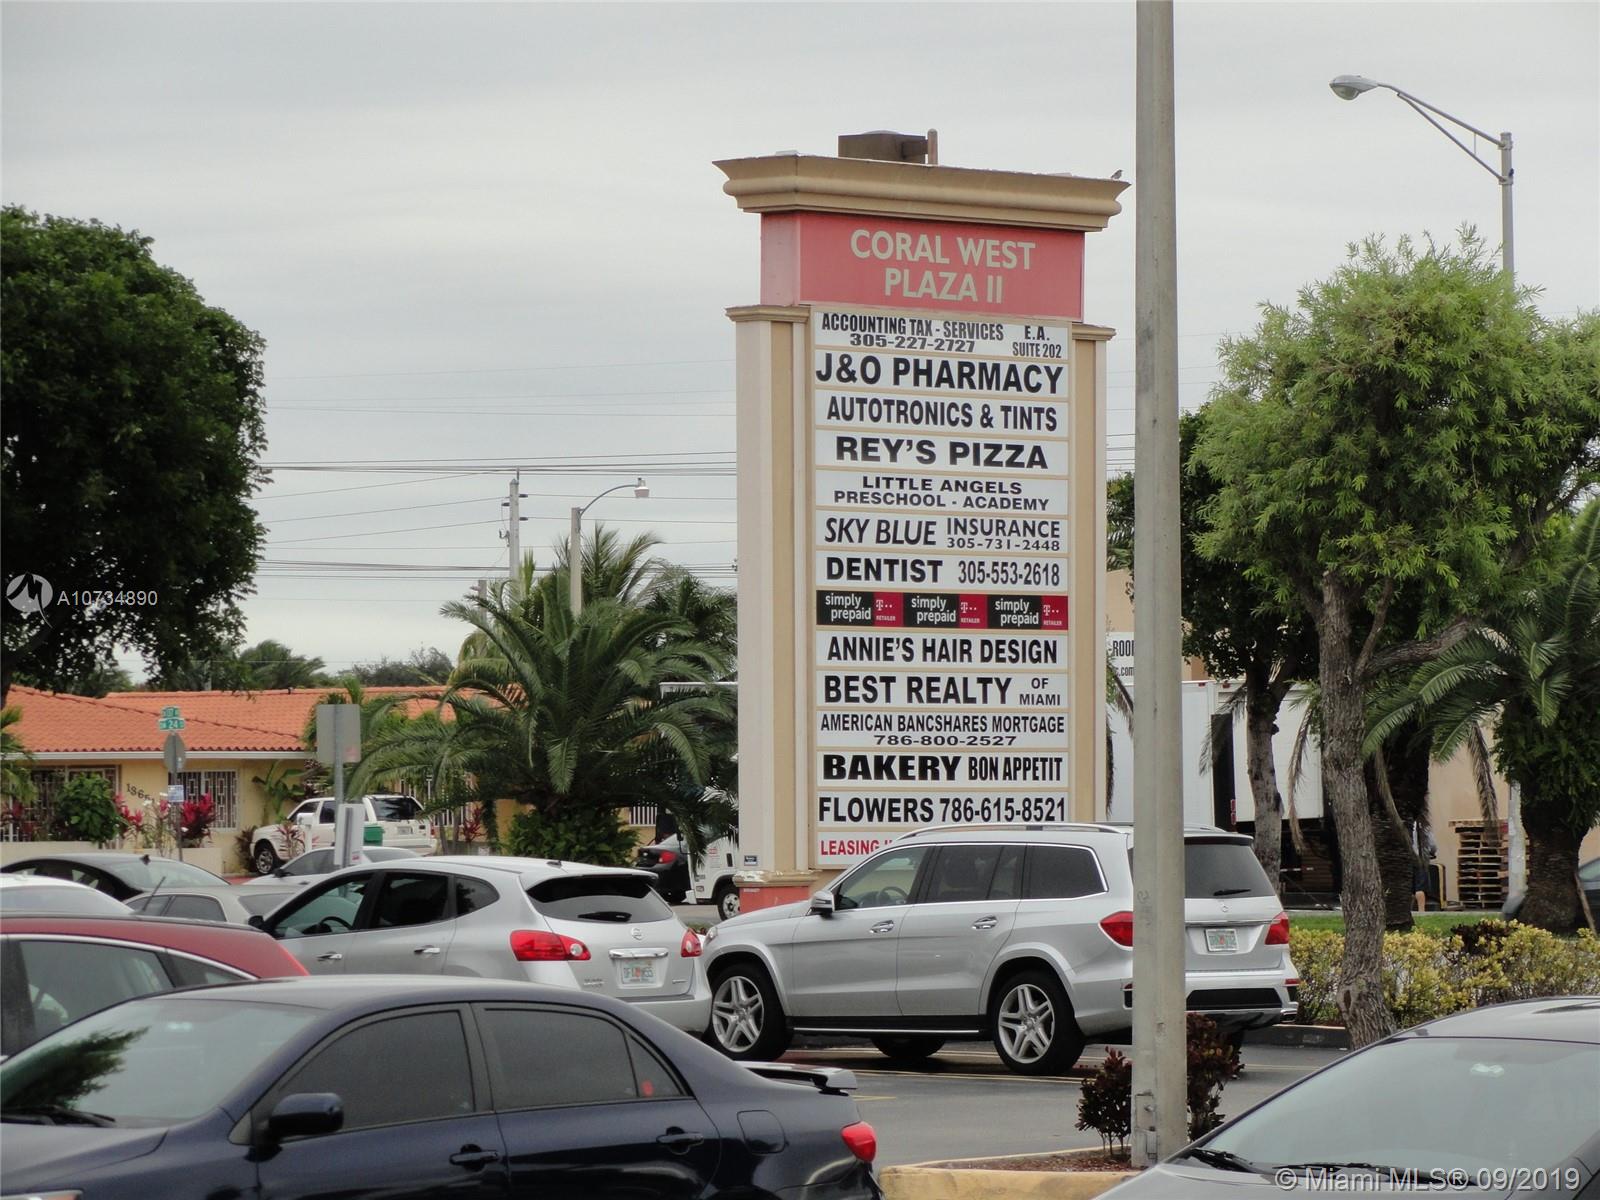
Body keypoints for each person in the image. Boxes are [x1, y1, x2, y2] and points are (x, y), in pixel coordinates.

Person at [1413, 820, 1438, 912]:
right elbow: (1432, 844)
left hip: (1406, 859)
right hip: (1421, 859)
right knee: (1420, 887)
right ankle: (1421, 911)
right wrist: (1432, 851)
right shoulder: (1422, 824)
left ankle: (1408, 911)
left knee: (1408, 887)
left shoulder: (1404, 823)